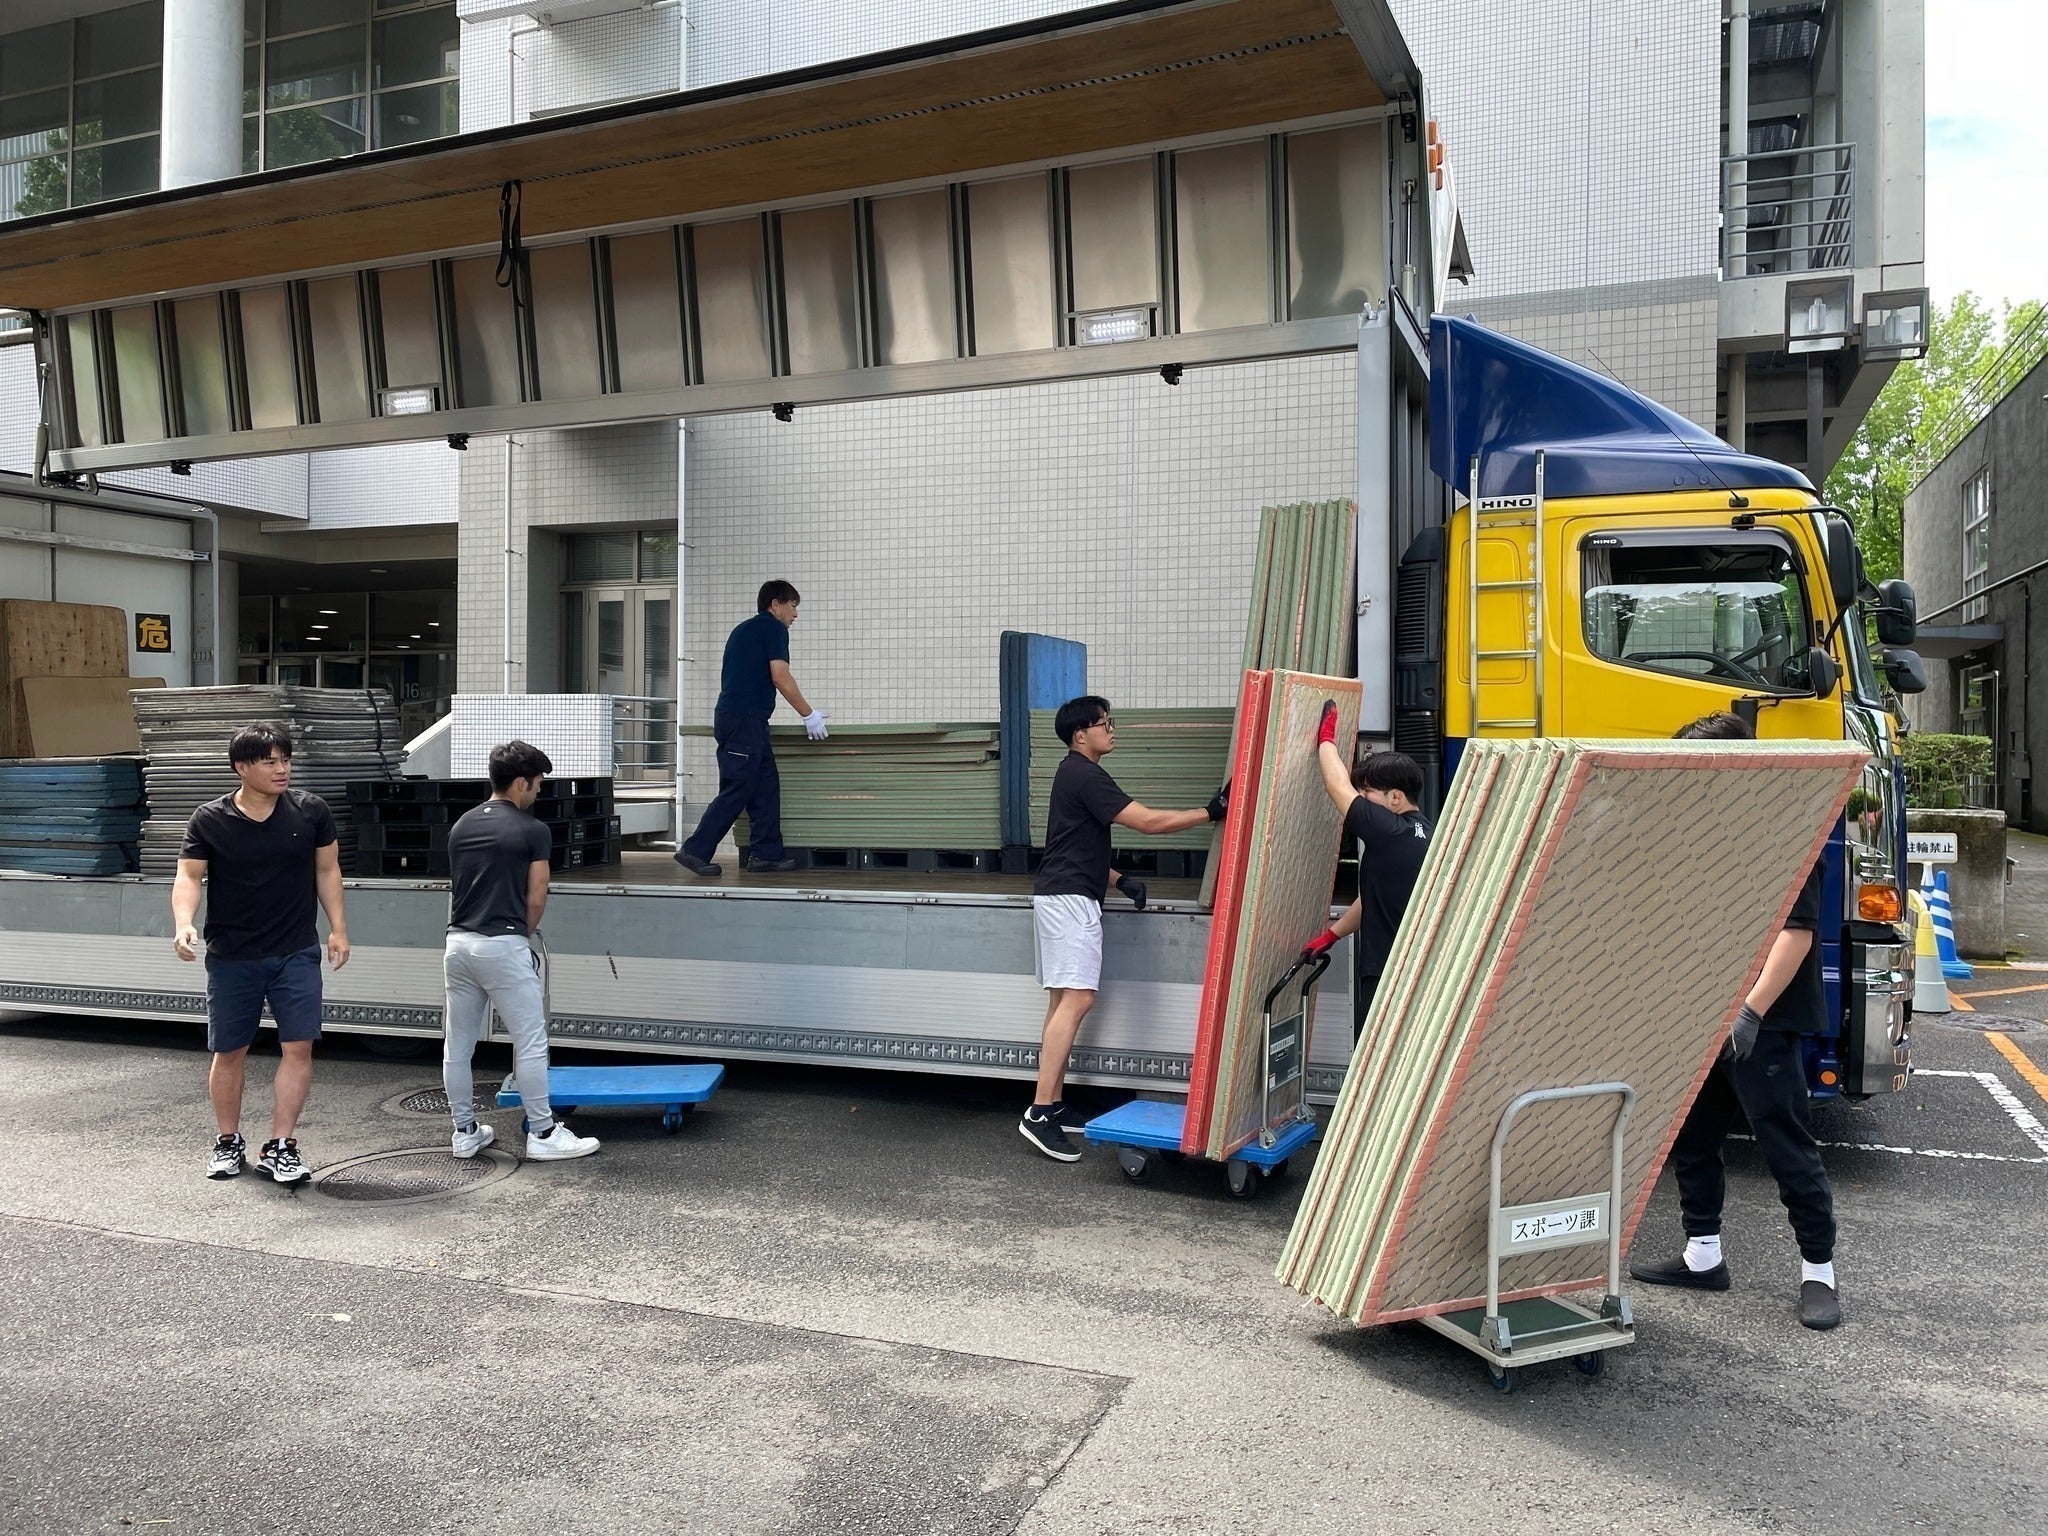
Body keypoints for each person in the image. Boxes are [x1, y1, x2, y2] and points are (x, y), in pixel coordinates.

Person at [1629, 710, 1843, 1331]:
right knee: (1694, 1139)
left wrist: (1749, 1012)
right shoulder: (1707, 835)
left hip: (1763, 1022)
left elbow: (1796, 935)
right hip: (1704, 1015)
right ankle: (1703, 1256)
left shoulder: (1785, 835)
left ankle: (1819, 1272)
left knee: (1784, 1143)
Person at [1021, 695, 1228, 1161]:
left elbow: (1072, 843)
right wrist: (1210, 811)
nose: (1111, 729)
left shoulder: (1073, 774)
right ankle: (1038, 1112)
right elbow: (1148, 822)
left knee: (1061, 1001)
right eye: (1104, 723)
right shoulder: (1085, 774)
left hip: (1063, 894)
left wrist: (1116, 879)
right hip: (1069, 901)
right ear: (1081, 735)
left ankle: (1052, 1104)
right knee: (1078, 1000)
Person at [173, 722, 349, 1185]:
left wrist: (338, 929)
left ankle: (282, 1146)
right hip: (233, 954)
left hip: (295, 950)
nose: (281, 769)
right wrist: (184, 923)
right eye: (270, 762)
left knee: (299, 1046)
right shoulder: (209, 819)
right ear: (241, 767)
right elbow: (189, 875)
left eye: (285, 760)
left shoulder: (311, 811)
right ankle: (227, 1141)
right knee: (230, 1050)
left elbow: (328, 870)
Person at [441, 741, 600, 1163]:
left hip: (457, 944)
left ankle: (464, 1132)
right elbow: (537, 894)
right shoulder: (533, 830)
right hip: (503, 944)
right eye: (537, 783)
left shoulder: (462, 825)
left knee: (458, 1045)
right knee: (530, 1043)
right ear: (520, 783)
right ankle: (543, 1133)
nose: (539, 791)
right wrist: (522, 937)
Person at [675, 579, 828, 878]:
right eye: (793, 605)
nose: (795, 614)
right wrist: (809, 715)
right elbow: (780, 676)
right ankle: (695, 850)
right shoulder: (773, 629)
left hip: (743, 719)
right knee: (739, 787)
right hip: (744, 720)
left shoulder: (743, 630)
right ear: (775, 604)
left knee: (765, 785)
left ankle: (765, 854)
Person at [1300, 704, 1433, 1040]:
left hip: (1387, 972)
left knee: (1372, 1055)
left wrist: (1326, 740)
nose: (1361, 798)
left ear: (1395, 797)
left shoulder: (1390, 831)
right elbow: (1377, 895)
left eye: (1368, 792)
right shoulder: (1424, 831)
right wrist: (1331, 936)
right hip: (1410, 970)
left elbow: (1336, 786)